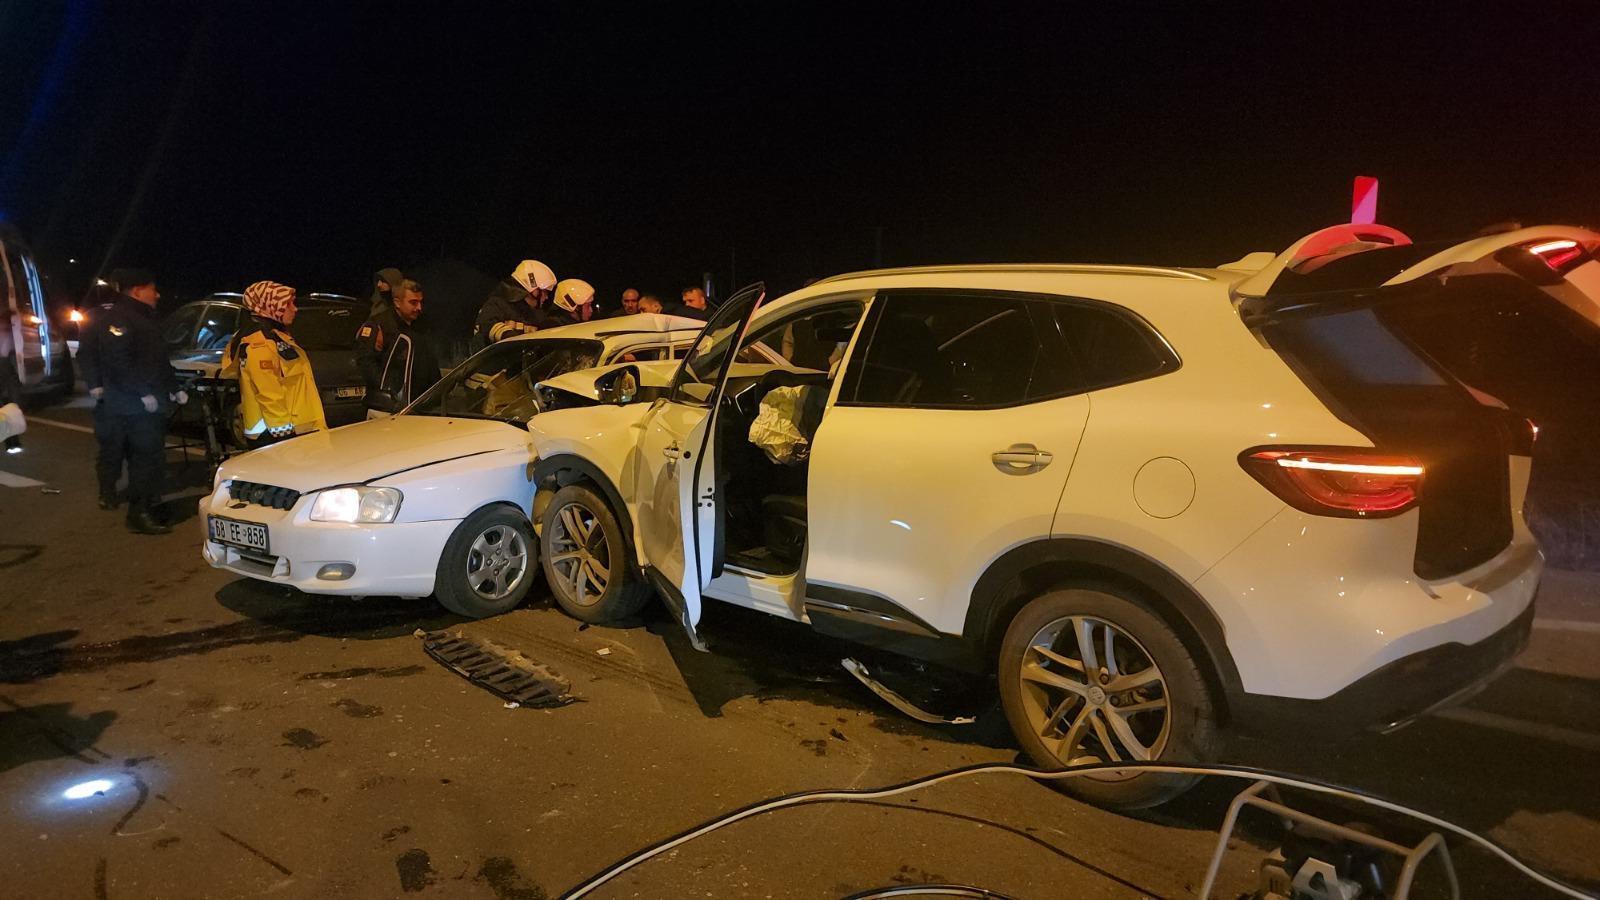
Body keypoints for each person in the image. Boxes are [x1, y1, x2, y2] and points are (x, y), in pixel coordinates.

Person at [81, 269, 186, 533]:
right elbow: (118, 361)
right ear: (137, 291)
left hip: (148, 403)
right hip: (129, 404)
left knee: (151, 457)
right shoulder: (119, 318)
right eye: (152, 289)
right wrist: (141, 392)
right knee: (128, 454)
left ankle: (149, 505)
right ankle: (137, 513)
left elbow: (158, 360)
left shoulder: (145, 317)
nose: (157, 295)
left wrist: (174, 388)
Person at [224, 280, 326, 446]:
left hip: (296, 431)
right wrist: (284, 436)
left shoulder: (276, 337)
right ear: (269, 306)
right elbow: (269, 394)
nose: (295, 309)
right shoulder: (259, 344)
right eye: (288, 304)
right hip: (278, 437)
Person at [355, 277, 441, 411]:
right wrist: (388, 391)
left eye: (420, 302)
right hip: (389, 406)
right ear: (397, 302)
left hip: (420, 404)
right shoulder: (379, 326)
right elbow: (367, 362)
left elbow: (430, 361)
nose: (419, 308)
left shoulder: (421, 325)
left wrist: (437, 393)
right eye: (413, 303)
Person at [474, 259, 557, 344]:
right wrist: (510, 337)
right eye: (545, 291)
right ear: (534, 289)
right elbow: (486, 324)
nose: (546, 297)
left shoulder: (538, 316)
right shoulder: (497, 305)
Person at [0, 306, 22, 454]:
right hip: (4, 366)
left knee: (6, 410)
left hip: (5, 367)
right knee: (8, 409)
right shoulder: (8, 332)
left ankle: (12, 443)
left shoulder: (7, 332)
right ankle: (12, 443)